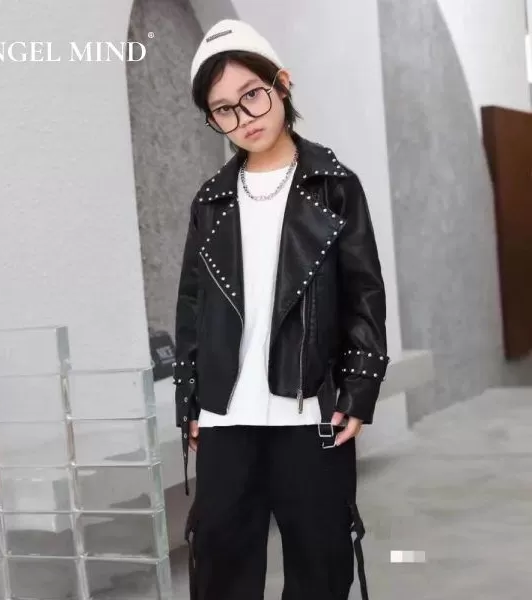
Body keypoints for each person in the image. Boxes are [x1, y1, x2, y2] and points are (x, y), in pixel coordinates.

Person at [173, 18, 389, 600]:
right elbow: (192, 305)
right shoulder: (211, 200)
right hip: (226, 414)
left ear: (282, 84)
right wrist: (190, 400)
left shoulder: (335, 186)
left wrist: (359, 390)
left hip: (309, 408)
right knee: (220, 566)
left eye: (252, 95)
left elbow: (364, 293)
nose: (244, 117)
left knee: (320, 564)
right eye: (223, 110)